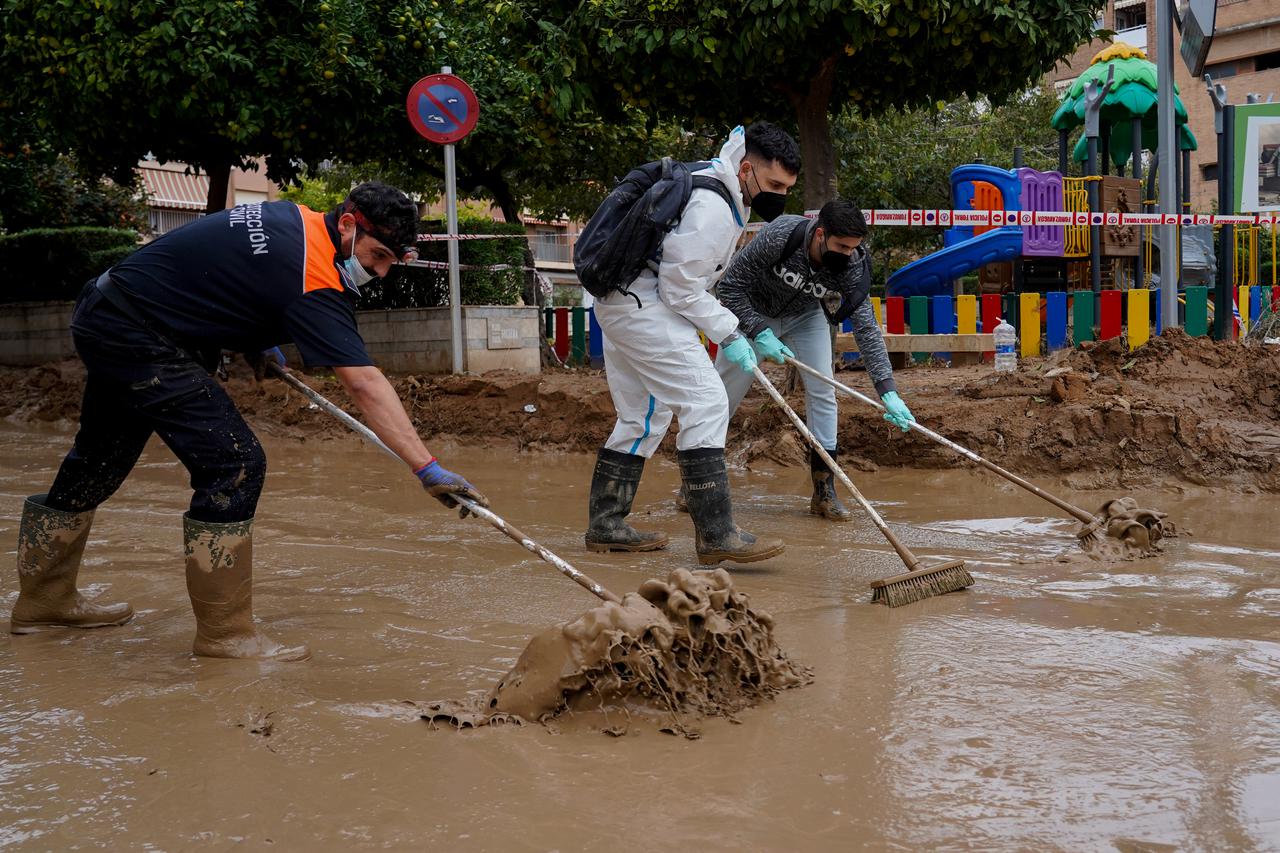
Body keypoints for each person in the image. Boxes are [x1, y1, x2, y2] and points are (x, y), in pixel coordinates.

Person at [8, 182, 488, 661]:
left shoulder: (293, 218)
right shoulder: (315, 272)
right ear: (347, 223)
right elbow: (363, 382)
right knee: (234, 464)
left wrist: (252, 336)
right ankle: (225, 635)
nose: (379, 272)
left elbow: (230, 273)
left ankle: (43, 603)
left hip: (111, 309)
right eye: (376, 254)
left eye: (391, 262)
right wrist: (426, 467)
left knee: (101, 455)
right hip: (140, 333)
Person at [585, 122, 800, 564]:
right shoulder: (715, 207)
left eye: (788, 187)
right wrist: (732, 334)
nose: (780, 195)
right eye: (775, 184)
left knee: (645, 414)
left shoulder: (716, 186)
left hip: (621, 301)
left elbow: (686, 280)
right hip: (642, 306)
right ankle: (717, 534)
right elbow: (680, 289)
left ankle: (606, 525)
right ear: (746, 169)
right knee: (706, 402)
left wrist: (749, 331)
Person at [711, 199, 914, 520]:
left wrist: (887, 389)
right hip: (750, 312)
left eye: (853, 247)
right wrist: (758, 331)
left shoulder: (853, 262)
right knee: (723, 396)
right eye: (841, 246)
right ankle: (699, 484)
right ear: (820, 234)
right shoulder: (780, 236)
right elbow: (730, 287)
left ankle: (824, 491)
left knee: (824, 390)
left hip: (805, 317)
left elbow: (866, 326)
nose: (847, 254)